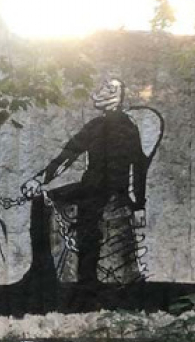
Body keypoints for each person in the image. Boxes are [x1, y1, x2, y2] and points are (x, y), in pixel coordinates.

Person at [21, 78, 148, 286]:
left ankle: (86, 281)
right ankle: (43, 270)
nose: (100, 93)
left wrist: (138, 204)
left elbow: (138, 165)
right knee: (44, 200)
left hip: (108, 189)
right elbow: (69, 154)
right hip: (93, 186)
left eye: (108, 89)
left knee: (87, 223)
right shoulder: (101, 126)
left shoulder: (125, 127)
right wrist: (41, 179)